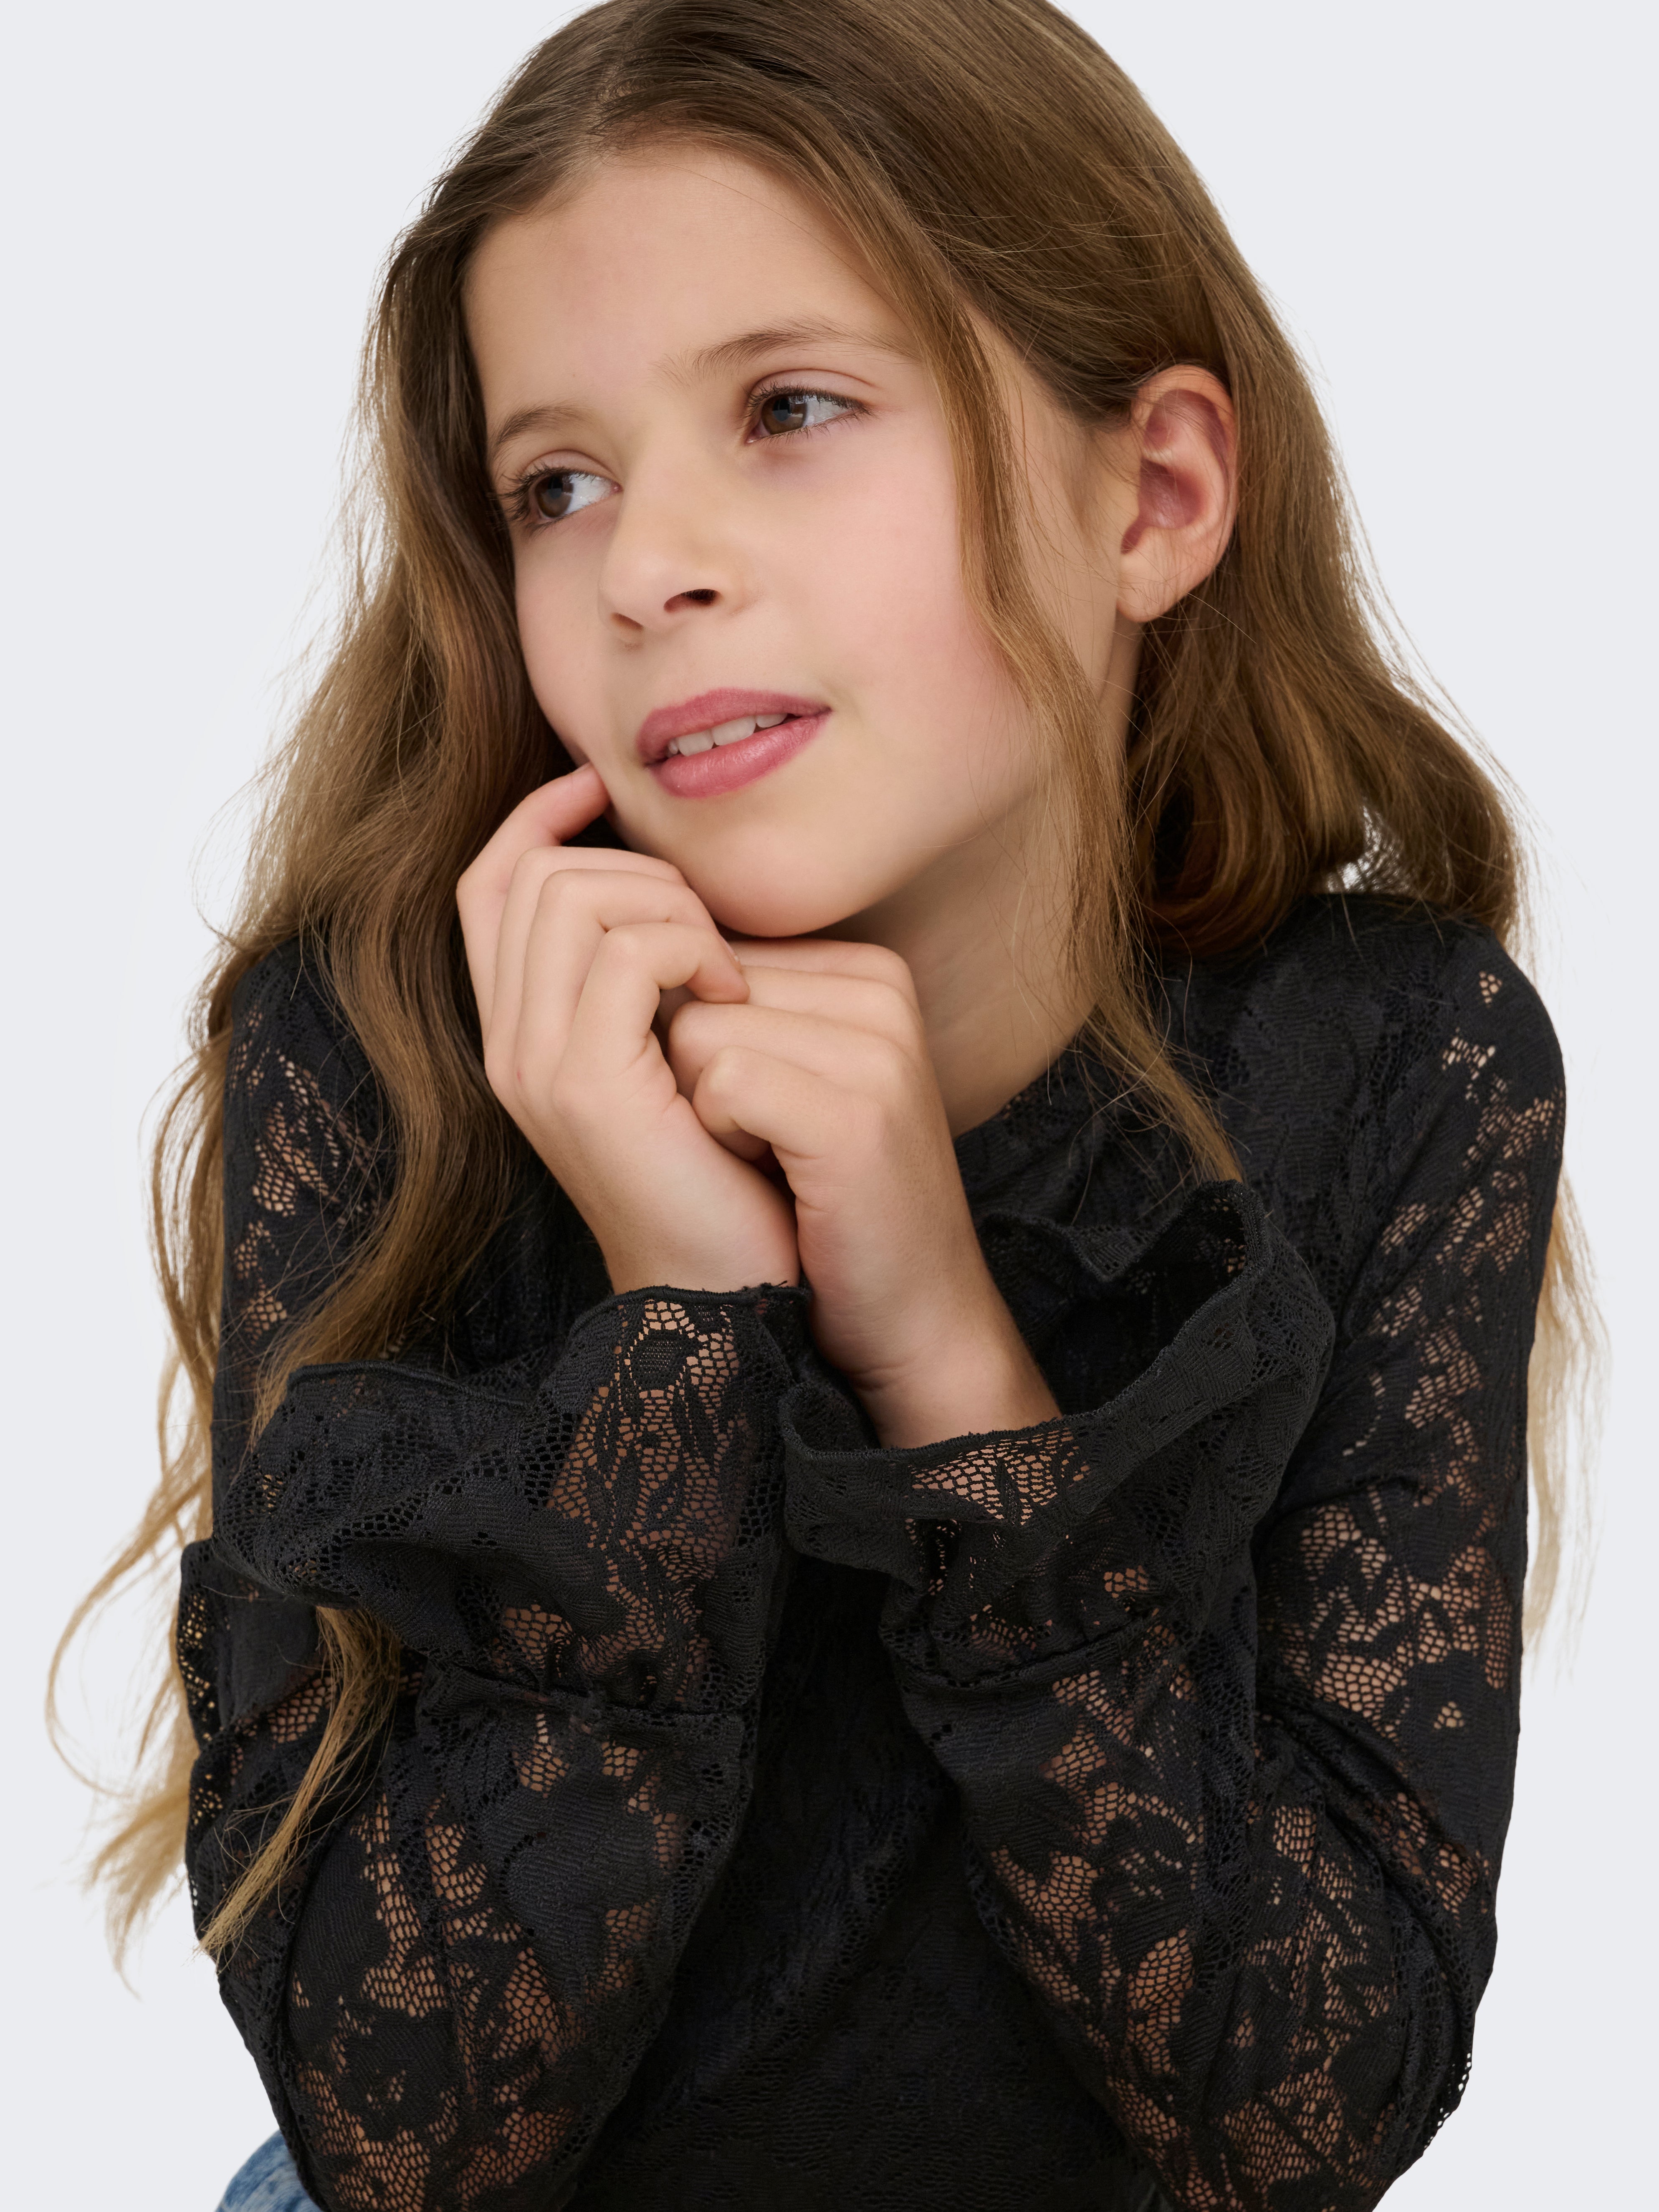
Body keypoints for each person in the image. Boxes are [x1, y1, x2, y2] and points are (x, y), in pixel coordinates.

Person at [72, 3, 1588, 2206]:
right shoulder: (372, 1045)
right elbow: (397, 2144)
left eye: (789, 410)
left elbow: (1304, 2121)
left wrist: (949, 1360)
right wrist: (681, 1319)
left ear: (1153, 497)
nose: (644, 566)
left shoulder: (1394, 1061)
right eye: (557, 484)